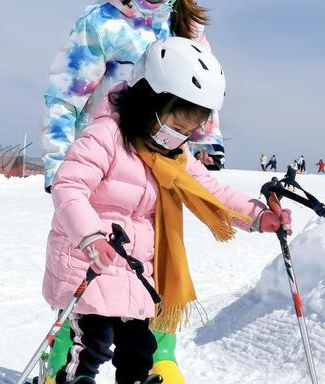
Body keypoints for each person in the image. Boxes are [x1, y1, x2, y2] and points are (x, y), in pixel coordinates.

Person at [43, 38, 292, 384]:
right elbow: (69, 186)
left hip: (135, 271)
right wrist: (89, 235)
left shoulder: (172, 154)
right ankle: (70, 379)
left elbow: (211, 191)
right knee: (92, 341)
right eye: (177, 125)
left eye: (189, 131)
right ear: (148, 100)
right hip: (92, 263)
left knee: (139, 346)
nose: (180, 137)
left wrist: (257, 215)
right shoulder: (105, 136)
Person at [40, 1, 219, 382]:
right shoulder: (103, 20)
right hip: (105, 168)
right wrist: (60, 167)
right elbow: (65, 95)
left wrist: (207, 145)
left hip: (163, 170)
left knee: (155, 264)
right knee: (87, 276)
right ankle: (62, 363)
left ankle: (160, 358)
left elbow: (204, 95)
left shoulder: (187, 26)